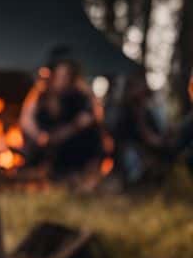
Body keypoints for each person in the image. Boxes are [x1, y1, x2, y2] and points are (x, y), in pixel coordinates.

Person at [20, 51, 106, 180]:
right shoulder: (40, 92)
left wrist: (66, 132)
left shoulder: (80, 93)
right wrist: (38, 136)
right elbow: (26, 119)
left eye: (66, 75)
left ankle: (83, 175)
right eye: (59, 74)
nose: (62, 80)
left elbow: (91, 118)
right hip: (47, 143)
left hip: (72, 142)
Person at [107, 72, 167, 186]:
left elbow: (155, 136)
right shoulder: (122, 112)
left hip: (147, 149)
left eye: (141, 87)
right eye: (136, 88)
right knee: (131, 157)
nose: (140, 92)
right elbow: (119, 137)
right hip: (128, 151)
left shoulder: (148, 111)